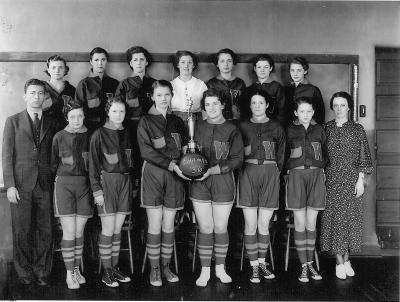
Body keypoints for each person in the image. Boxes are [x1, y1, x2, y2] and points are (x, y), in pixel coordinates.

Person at [2, 78, 60, 286]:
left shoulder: (53, 123)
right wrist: (10, 185)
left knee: (46, 230)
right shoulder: (13, 121)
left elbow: (57, 153)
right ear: (25, 96)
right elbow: (6, 156)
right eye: (32, 93)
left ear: (45, 97)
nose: (37, 97)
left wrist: (53, 176)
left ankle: (42, 271)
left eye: (40, 93)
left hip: (45, 184)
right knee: (22, 231)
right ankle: (24, 273)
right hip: (20, 186)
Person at [137, 80, 189, 287]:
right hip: (154, 174)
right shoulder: (146, 121)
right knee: (155, 224)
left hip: (176, 175)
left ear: (171, 95)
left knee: (169, 225)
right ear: (152, 97)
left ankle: (166, 266)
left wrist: (187, 163)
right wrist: (171, 165)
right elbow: (146, 152)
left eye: (167, 94)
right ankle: (155, 269)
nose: (163, 99)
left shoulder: (177, 121)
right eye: (159, 95)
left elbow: (184, 147)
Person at [190, 88, 243, 287]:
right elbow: (190, 154)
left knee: (220, 227)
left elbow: (237, 159)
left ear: (222, 105)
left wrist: (213, 170)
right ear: (203, 107)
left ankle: (220, 269)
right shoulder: (197, 127)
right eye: (207, 104)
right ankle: (205, 271)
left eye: (215, 103)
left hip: (222, 181)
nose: (211, 107)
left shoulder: (232, 129)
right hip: (200, 183)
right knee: (205, 227)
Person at [320, 91, 373, 280]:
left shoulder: (357, 129)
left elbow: (364, 156)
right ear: (332, 107)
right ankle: (338, 261)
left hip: (352, 179)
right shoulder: (326, 128)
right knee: (334, 220)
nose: (339, 109)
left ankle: (347, 259)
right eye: (336, 105)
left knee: (350, 219)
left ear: (349, 107)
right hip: (332, 179)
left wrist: (361, 180)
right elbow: (321, 157)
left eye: (343, 105)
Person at [237, 89, 285, 283]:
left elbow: (281, 156)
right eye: (254, 103)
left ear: (267, 105)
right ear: (250, 106)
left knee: (264, 224)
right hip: (248, 173)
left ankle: (262, 263)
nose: (257, 106)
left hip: (269, 173)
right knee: (250, 224)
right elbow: (237, 153)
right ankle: (253, 266)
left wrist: (275, 174)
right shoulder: (242, 126)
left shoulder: (276, 127)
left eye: (261, 102)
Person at [89, 97, 137, 287]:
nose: (119, 115)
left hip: (124, 182)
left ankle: (115, 267)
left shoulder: (127, 132)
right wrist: (96, 190)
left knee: (117, 230)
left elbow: (133, 161)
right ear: (108, 112)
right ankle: (106, 271)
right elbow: (92, 166)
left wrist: (133, 185)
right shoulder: (98, 134)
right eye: (115, 111)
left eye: (122, 111)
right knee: (108, 229)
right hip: (106, 183)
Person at [285, 96, 327, 283]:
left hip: (316, 176)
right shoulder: (290, 130)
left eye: (309, 111)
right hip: (296, 176)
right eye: (302, 111)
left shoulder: (320, 130)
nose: (306, 115)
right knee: (300, 224)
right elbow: (283, 153)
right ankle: (303, 266)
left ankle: (310, 264)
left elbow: (326, 153)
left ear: (313, 112)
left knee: (311, 224)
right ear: (295, 112)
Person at [51, 98, 91, 289]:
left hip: (84, 187)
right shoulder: (58, 136)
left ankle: (76, 269)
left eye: (80, 116)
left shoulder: (90, 136)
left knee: (78, 231)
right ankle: (69, 274)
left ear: (84, 116)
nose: (77, 120)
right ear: (66, 117)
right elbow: (52, 164)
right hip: (64, 186)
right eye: (72, 116)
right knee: (68, 231)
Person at [75, 47, 119, 131]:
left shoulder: (115, 83)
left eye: (103, 59)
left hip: (111, 128)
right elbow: (78, 110)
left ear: (107, 61)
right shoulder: (84, 84)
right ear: (91, 62)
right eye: (96, 60)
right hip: (90, 128)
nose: (100, 63)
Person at [243, 54, 285, 124]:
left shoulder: (277, 87)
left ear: (270, 68)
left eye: (266, 67)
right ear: (255, 69)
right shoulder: (250, 88)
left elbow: (282, 111)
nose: (262, 70)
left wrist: (277, 126)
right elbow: (246, 111)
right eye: (259, 67)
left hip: (272, 125)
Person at [206, 48, 246, 121]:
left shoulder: (240, 83)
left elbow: (244, 105)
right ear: (217, 64)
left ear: (233, 63)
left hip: (237, 120)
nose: (226, 64)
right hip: (218, 121)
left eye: (229, 61)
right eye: (222, 61)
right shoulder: (211, 83)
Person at [284, 57, 325, 127]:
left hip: (307, 130)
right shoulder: (286, 89)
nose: (295, 73)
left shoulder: (313, 90)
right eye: (292, 70)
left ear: (305, 71)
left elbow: (320, 115)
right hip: (289, 130)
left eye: (299, 70)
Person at [170, 50, 208, 124]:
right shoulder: (171, 85)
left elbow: (206, 108)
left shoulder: (201, 85)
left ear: (193, 65)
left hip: (196, 122)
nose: (186, 65)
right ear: (178, 65)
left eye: (189, 62)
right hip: (174, 122)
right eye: (183, 62)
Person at [42, 55, 76, 126]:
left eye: (60, 67)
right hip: (46, 128)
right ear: (48, 70)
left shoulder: (71, 89)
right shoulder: (41, 88)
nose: (57, 71)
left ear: (65, 70)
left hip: (66, 129)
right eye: (53, 67)